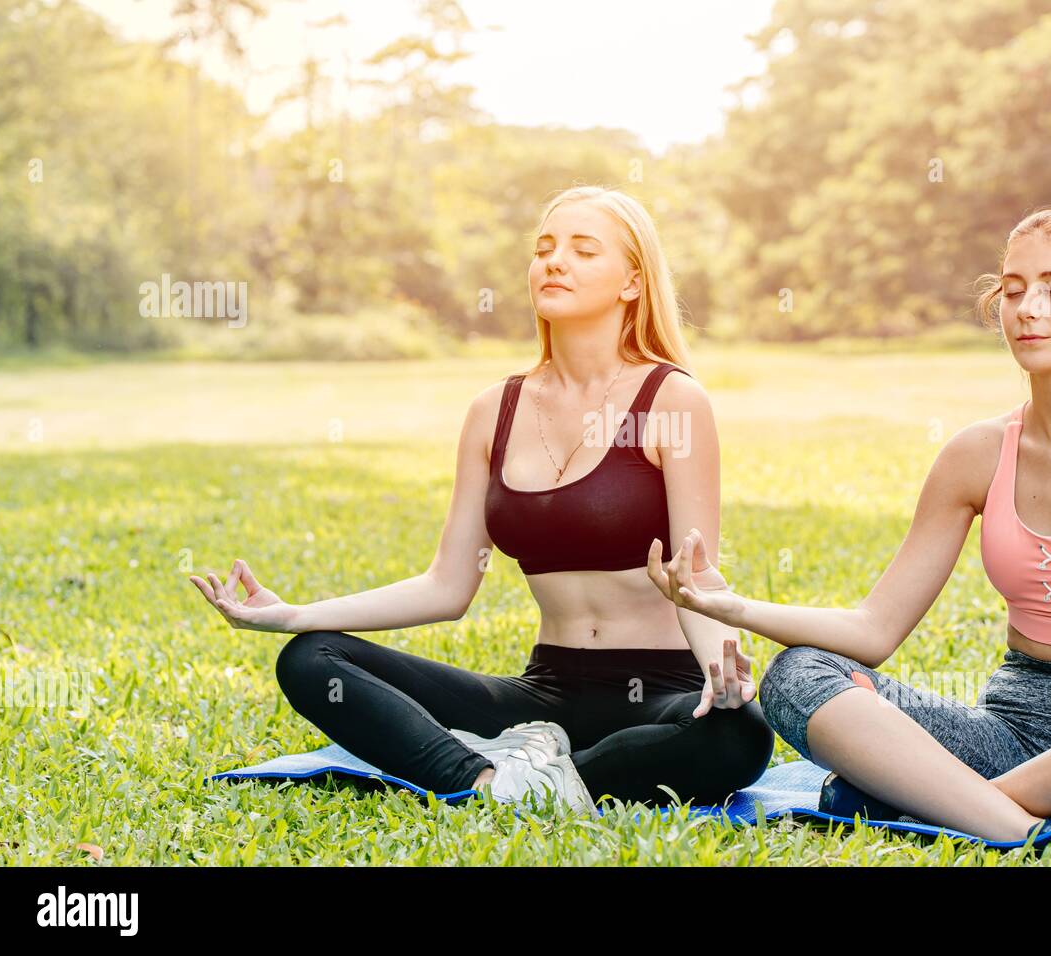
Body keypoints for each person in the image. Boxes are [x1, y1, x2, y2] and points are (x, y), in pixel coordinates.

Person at [646, 207, 1051, 856]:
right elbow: (872, 633)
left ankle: (927, 803)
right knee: (800, 675)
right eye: (1013, 290)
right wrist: (729, 605)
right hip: (1007, 727)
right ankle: (1034, 828)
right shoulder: (976, 453)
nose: (1026, 308)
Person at [190, 185, 774, 815]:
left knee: (738, 736)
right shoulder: (494, 410)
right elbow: (447, 586)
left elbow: (699, 579)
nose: (554, 262)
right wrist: (297, 614)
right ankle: (487, 783)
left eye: (583, 250)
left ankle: (543, 773)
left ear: (632, 282)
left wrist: (725, 671)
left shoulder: (672, 400)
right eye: (544, 249)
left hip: (660, 691)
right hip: (544, 694)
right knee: (312, 661)